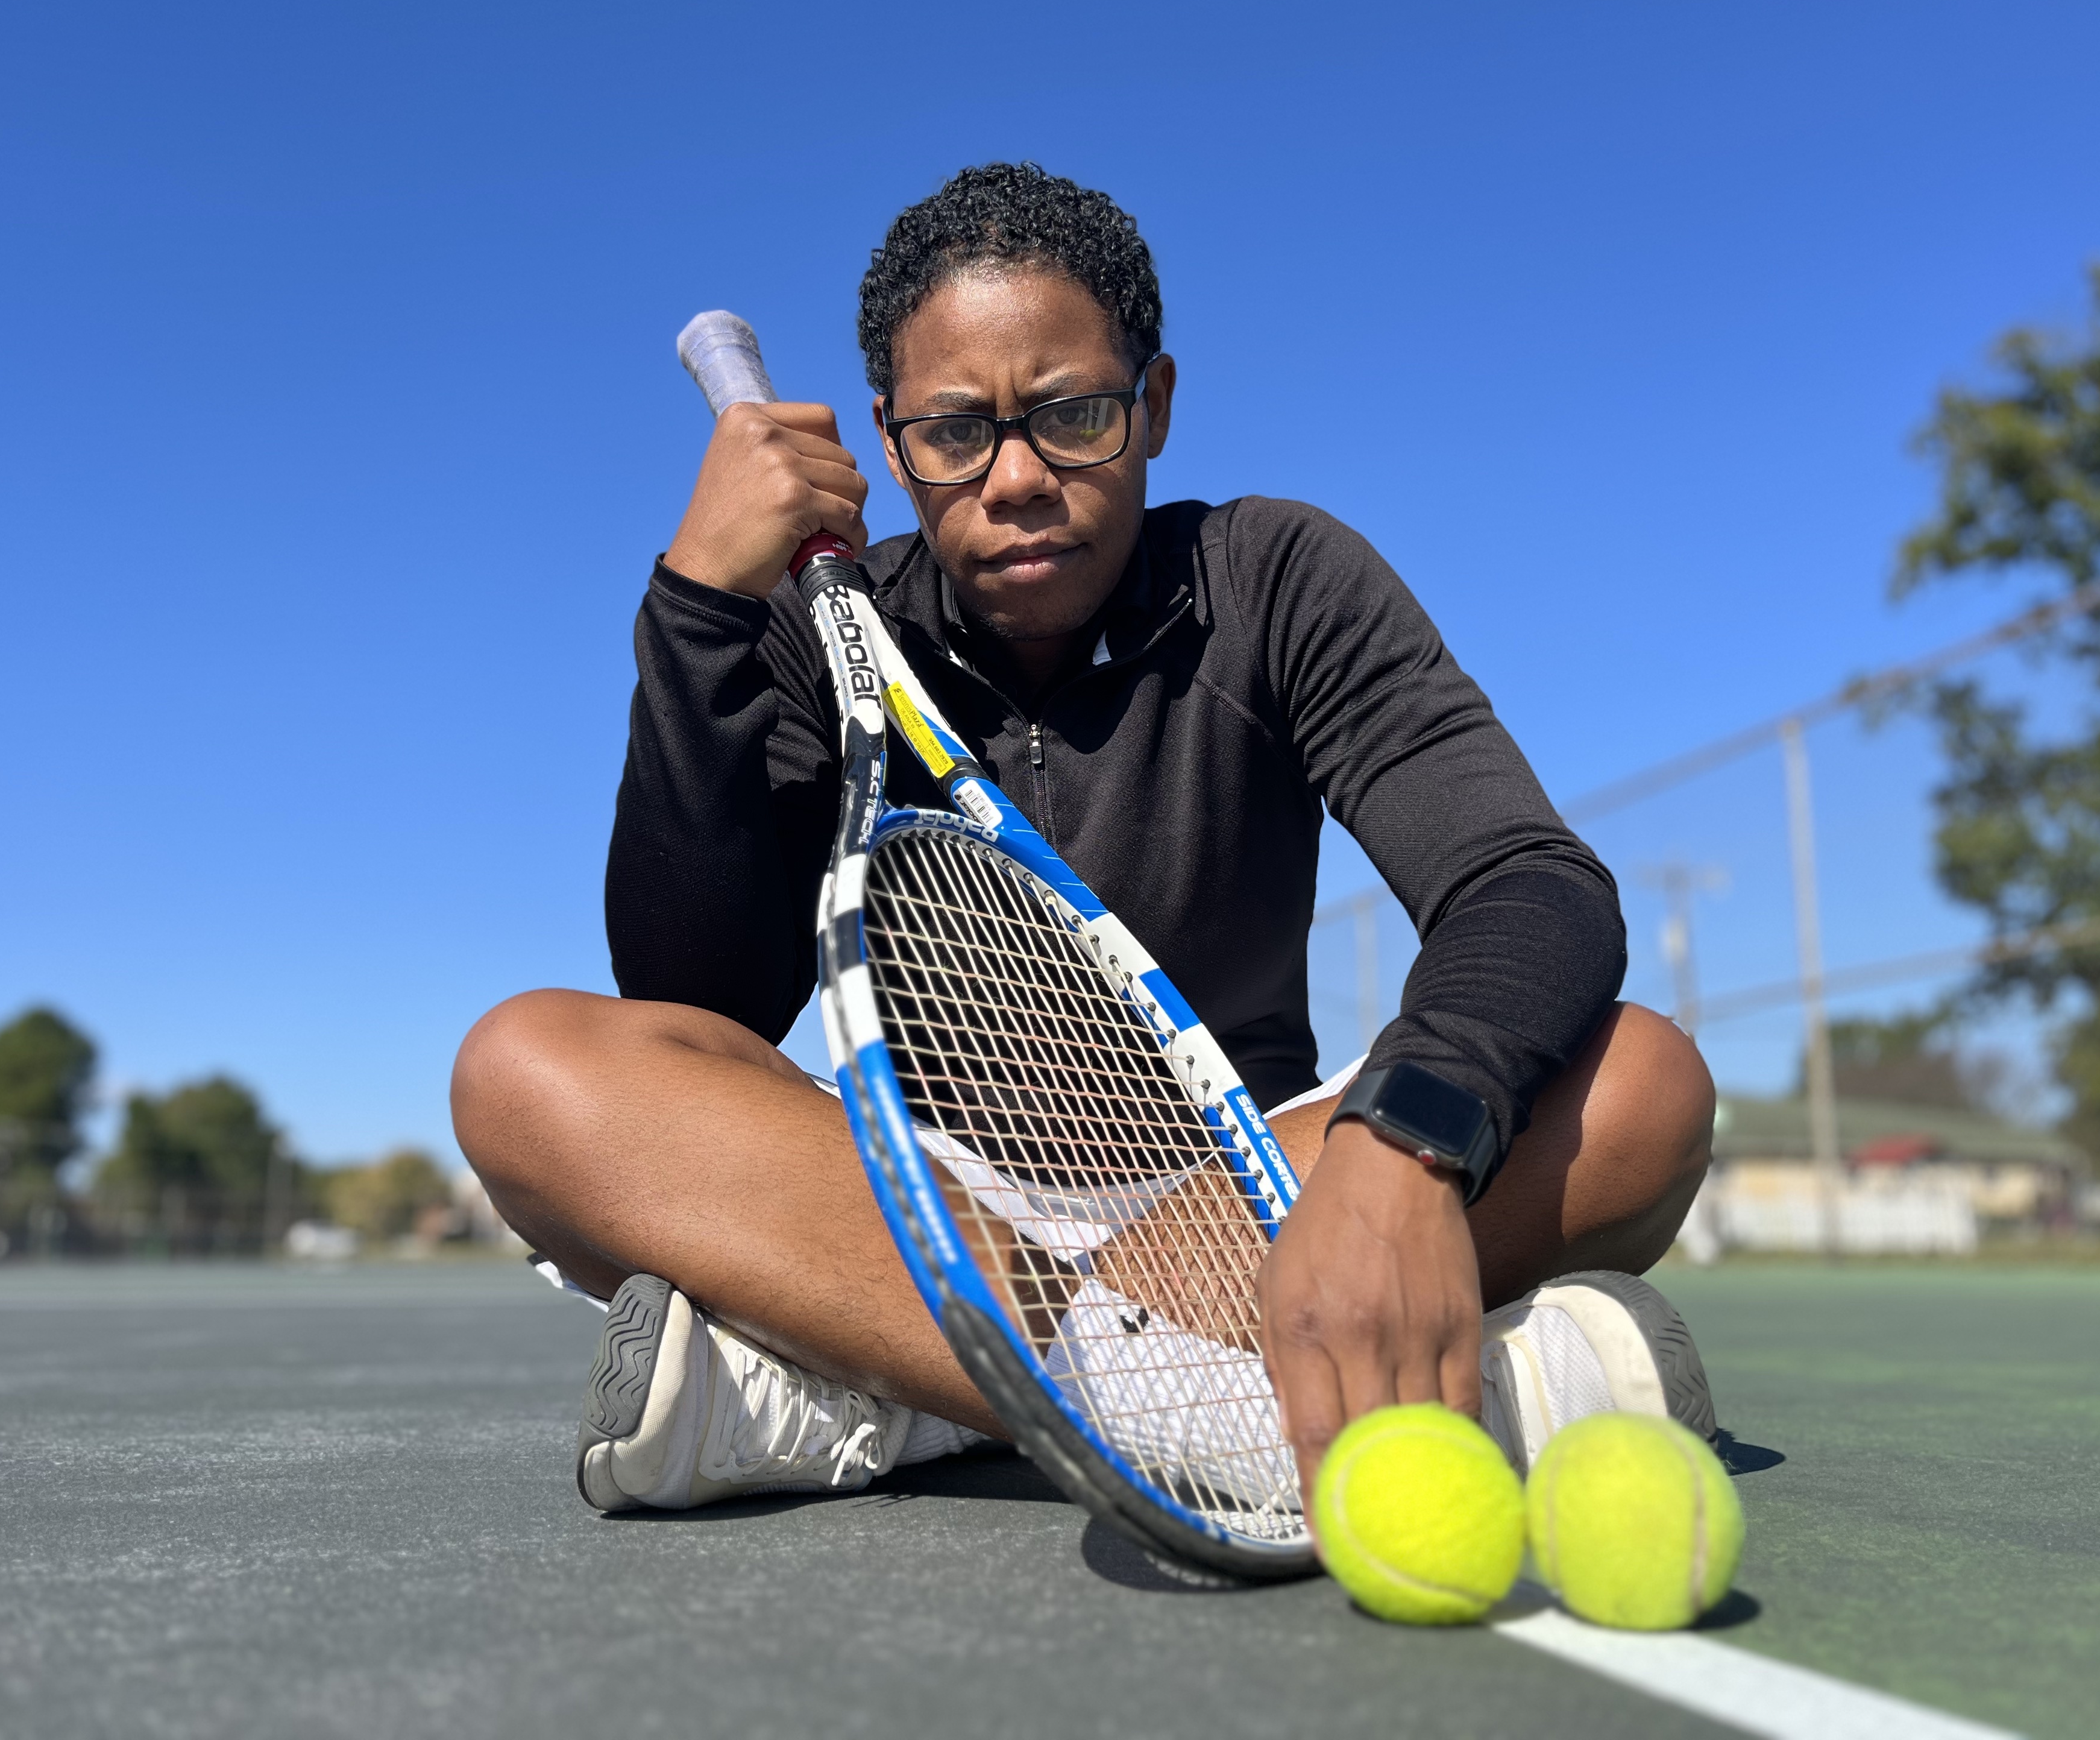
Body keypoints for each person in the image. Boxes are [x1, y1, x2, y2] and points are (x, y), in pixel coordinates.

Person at [451, 163, 1717, 1522]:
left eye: (1074, 417)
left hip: (1251, 1191)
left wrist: (1403, 1141)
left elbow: (1525, 881)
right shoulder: (815, 628)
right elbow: (702, 1007)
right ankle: (1279, 1412)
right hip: (911, 1212)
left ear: (1155, 405)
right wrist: (698, 608)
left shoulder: (1279, 576)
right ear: (889, 442)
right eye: (954, 433)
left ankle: (878, 1395)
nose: (1015, 480)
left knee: (1644, 1087)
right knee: (525, 1070)